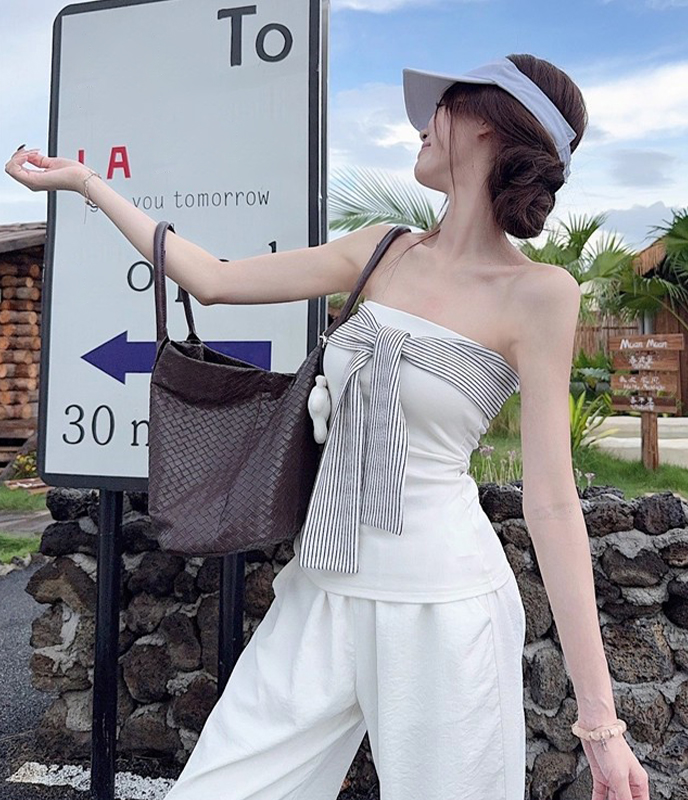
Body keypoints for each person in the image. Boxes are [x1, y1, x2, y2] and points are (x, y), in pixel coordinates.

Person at [6, 52, 650, 800]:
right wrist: (87, 185)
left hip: (443, 610)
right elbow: (211, 279)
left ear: (487, 123)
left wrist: (600, 725)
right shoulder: (380, 249)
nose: (421, 125)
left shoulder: (540, 294)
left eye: (439, 106)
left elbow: (553, 503)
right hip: (321, 588)